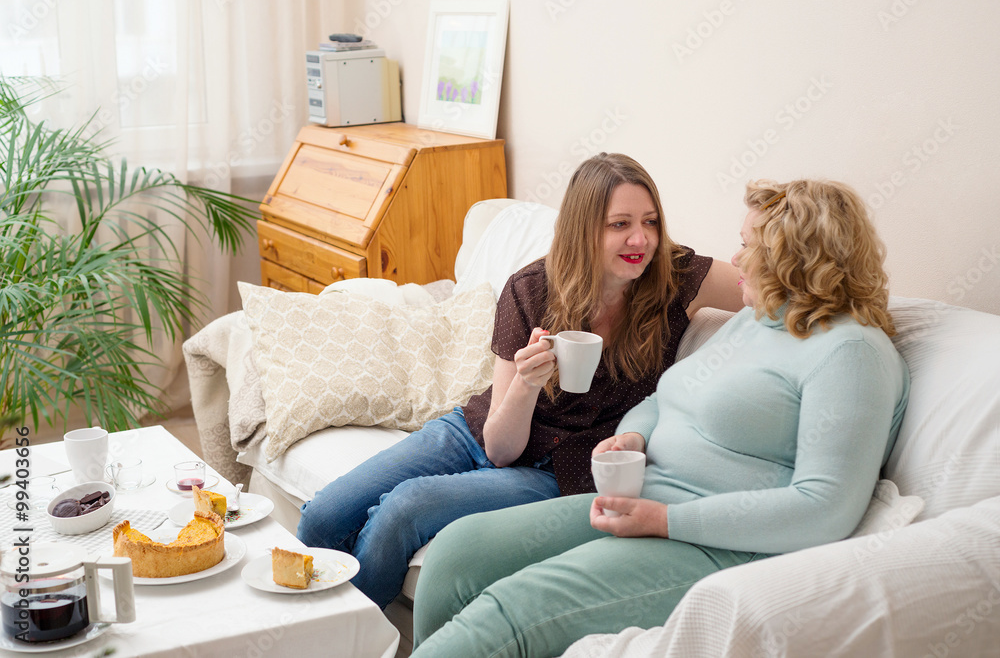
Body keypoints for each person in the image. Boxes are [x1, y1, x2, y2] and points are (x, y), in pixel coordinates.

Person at [411, 178, 911, 657]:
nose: (736, 257)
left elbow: (825, 507)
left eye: (751, 246)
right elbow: (663, 399)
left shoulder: (851, 353)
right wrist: (633, 435)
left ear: (800, 258)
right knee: (458, 554)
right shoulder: (756, 322)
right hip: (644, 500)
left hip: (721, 544)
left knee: (516, 609)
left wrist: (666, 521)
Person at [295, 153, 745, 609]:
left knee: (403, 509)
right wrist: (527, 385)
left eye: (650, 222)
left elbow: (764, 286)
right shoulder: (530, 289)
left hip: (560, 469)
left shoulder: (675, 276)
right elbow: (499, 448)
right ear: (582, 230)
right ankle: (313, 627)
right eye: (619, 224)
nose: (639, 239)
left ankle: (349, 633)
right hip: (480, 433)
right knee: (325, 515)